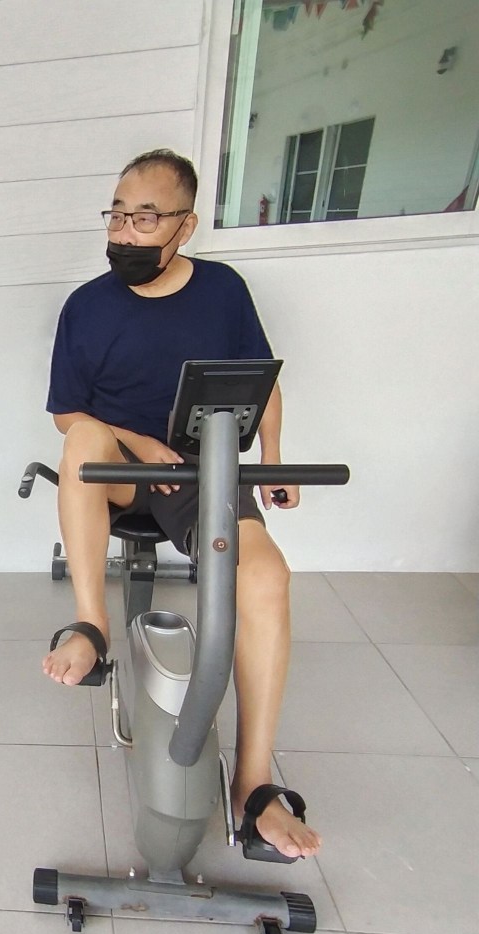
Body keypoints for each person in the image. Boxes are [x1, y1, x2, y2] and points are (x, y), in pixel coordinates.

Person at [42, 149, 320, 860]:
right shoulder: (86, 306)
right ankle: (91, 626)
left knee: (267, 576)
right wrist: (139, 443)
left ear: (184, 225)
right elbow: (68, 413)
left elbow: (263, 380)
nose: (125, 234)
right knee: (84, 438)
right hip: (117, 469)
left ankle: (253, 787)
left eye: (144, 219)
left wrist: (273, 457)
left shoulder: (223, 291)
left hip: (205, 470)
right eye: (116, 216)